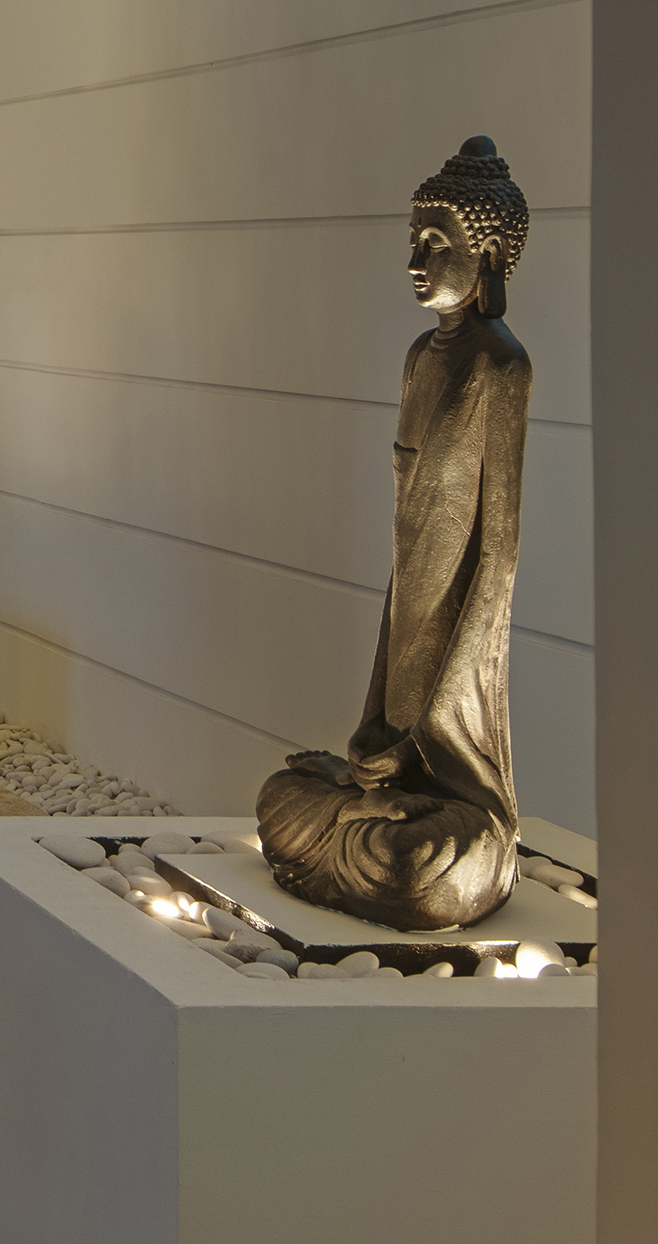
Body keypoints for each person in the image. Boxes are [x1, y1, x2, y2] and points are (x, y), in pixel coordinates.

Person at [255, 137, 529, 930]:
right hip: (410, 601)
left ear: (485, 254)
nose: (416, 257)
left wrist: (425, 737)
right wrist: (376, 740)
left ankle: (402, 831)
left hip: (455, 655)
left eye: (436, 243)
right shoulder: (421, 357)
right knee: (281, 801)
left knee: (414, 865)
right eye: (412, 240)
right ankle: (363, 814)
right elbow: (409, 550)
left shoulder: (497, 366)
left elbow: (497, 546)